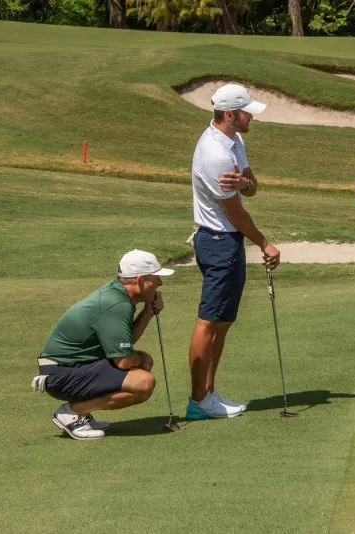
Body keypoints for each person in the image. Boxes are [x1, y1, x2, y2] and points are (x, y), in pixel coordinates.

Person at [186, 83, 281, 420]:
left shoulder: (233, 141)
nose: (251, 117)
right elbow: (236, 213)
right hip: (217, 242)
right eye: (247, 113)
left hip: (227, 242)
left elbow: (252, 188)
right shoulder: (216, 155)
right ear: (230, 114)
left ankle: (209, 393)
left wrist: (244, 183)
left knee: (222, 322)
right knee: (208, 323)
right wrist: (264, 243)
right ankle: (198, 401)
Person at [31, 249, 173, 440]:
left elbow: (123, 342)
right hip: (61, 374)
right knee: (143, 383)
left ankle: (80, 412)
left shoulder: (118, 295)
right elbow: (123, 361)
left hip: (70, 368)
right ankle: (72, 413)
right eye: (156, 278)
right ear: (140, 281)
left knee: (141, 365)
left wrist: (148, 312)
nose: (160, 283)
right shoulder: (116, 304)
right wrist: (142, 357)